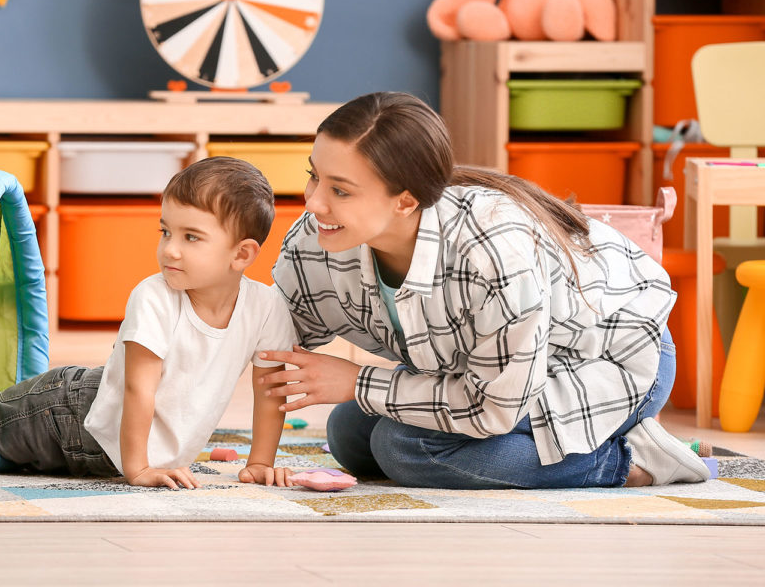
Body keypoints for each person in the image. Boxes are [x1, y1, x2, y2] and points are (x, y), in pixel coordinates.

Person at [261, 91, 710, 490]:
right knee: (350, 435)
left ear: (405, 201)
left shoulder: (491, 249)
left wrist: (358, 380)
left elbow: (495, 407)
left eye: (340, 190)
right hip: (485, 374)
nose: (314, 202)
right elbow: (270, 341)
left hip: (604, 356)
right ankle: (591, 441)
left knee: (408, 448)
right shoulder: (317, 238)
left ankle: (631, 461)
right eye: (314, 175)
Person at [0, 156, 299, 489]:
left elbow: (271, 391)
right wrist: (138, 469)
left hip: (107, 446)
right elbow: (138, 388)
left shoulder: (266, 307)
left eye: (191, 237)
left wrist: (261, 462)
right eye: (166, 232)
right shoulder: (154, 296)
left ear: (242, 255)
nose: (170, 250)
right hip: (72, 410)